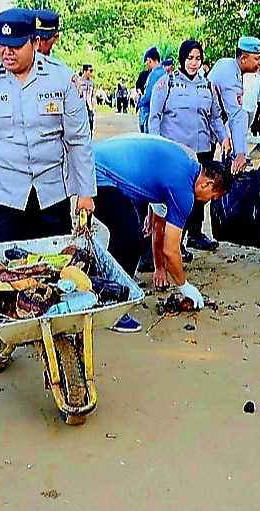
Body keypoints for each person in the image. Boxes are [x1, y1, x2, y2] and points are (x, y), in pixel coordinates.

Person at [0, 7, 94, 374]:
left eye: (15, 45)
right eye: (1, 44)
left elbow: (78, 140)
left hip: (51, 192)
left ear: (34, 42)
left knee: (56, 268)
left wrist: (86, 192)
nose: (6, 52)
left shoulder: (59, 79)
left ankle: (58, 334)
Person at [92, 135, 232, 320]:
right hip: (98, 174)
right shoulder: (183, 191)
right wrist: (184, 286)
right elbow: (170, 250)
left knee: (125, 233)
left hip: (96, 161)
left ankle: (102, 285)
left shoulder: (184, 162)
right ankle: (111, 306)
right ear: (207, 183)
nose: (208, 202)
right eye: (213, 196)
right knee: (130, 238)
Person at [149, 39, 230, 255]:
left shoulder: (208, 86)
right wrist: (155, 146)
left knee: (201, 194)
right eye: (190, 58)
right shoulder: (167, 83)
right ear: (182, 59)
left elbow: (215, 118)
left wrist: (224, 138)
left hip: (202, 150)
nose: (193, 63)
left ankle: (195, 234)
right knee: (179, 197)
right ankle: (176, 242)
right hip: (177, 153)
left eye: (198, 59)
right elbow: (154, 116)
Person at [208, 36, 260, 175]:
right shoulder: (230, 75)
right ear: (244, 59)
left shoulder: (227, 65)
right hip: (203, 130)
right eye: (257, 59)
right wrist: (240, 153)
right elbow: (236, 115)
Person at [137, 46, 164, 132]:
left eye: (147, 63)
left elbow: (148, 96)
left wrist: (139, 102)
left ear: (149, 60)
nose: (147, 65)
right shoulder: (165, 74)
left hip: (150, 113)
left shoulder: (153, 75)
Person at [78, 64, 96, 133]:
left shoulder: (92, 83)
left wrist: (93, 107)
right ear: (85, 71)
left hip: (89, 106)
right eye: (90, 71)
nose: (91, 73)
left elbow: (93, 96)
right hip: (81, 107)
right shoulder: (79, 82)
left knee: (90, 124)